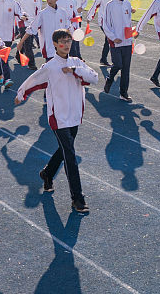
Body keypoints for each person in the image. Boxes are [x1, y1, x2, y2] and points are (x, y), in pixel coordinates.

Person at [15, 29, 99, 211]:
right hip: (58, 118)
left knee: (63, 150)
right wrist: (21, 93)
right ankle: (77, 198)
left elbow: (95, 78)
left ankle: (47, 173)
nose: (67, 45)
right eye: (62, 41)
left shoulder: (77, 62)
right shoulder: (50, 67)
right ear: (54, 44)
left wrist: (75, 70)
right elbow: (33, 79)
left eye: (69, 41)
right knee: (69, 155)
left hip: (75, 116)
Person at [99, 0, 134, 102]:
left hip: (127, 42)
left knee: (126, 69)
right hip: (115, 42)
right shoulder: (110, 5)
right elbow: (106, 24)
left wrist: (131, 35)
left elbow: (128, 22)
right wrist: (113, 37)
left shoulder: (127, 4)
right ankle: (110, 78)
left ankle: (124, 93)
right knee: (118, 65)